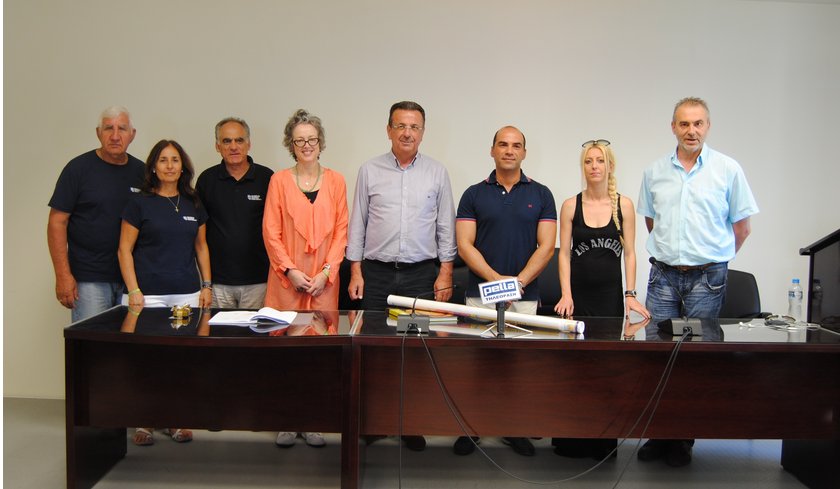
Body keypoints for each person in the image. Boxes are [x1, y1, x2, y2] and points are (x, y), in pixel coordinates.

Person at [636, 97, 758, 467]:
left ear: (708, 126)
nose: (692, 131)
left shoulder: (728, 169)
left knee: (694, 361)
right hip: (663, 277)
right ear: (673, 127)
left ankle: (682, 439)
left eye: (698, 123)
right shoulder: (654, 171)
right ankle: (659, 436)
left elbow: (742, 228)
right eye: (684, 124)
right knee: (658, 357)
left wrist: (715, 258)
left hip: (708, 278)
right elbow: (652, 223)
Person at [346, 101, 457, 452]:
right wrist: (355, 270)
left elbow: (445, 226)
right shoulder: (369, 170)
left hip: (419, 279)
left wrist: (445, 272)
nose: (407, 133)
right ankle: (375, 422)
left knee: (413, 351)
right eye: (401, 126)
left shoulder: (437, 173)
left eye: (414, 127)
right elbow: (358, 223)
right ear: (389, 129)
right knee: (374, 351)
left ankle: (409, 423)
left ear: (422, 132)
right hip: (376, 276)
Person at [453, 126, 557, 457]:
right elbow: (464, 245)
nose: (509, 150)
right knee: (477, 366)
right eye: (503, 144)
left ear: (524, 152)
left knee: (518, 366)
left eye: (516, 145)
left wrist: (517, 283)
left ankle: (514, 427)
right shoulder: (473, 194)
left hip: (524, 297)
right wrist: (498, 281)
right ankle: (471, 428)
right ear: (492, 150)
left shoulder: (542, 194)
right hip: (479, 296)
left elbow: (547, 247)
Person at [552, 139, 650, 460]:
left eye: (600, 161)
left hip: (610, 302)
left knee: (607, 370)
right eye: (588, 161)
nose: (594, 166)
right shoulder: (571, 205)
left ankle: (604, 443)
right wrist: (566, 294)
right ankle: (572, 440)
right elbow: (563, 254)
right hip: (578, 300)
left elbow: (630, 254)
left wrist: (630, 295)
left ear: (610, 166)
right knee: (575, 370)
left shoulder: (624, 206)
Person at [263, 109, 348, 449]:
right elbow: (271, 232)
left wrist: (327, 272)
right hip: (287, 282)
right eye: (299, 141)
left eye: (312, 139)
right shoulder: (279, 181)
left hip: (324, 284)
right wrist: (290, 270)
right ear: (291, 145)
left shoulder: (337, 181)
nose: (307, 145)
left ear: (320, 142)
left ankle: (313, 419)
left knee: (319, 354)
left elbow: (341, 233)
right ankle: (287, 418)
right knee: (287, 354)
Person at [118, 140, 212, 447]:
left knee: (180, 361)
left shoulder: (193, 202)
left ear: (183, 166)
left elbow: (201, 247)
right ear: (153, 167)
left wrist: (207, 286)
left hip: (185, 295)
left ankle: (175, 418)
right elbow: (124, 249)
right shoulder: (139, 203)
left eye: (175, 160)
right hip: (147, 297)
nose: (169, 165)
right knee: (146, 360)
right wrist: (134, 290)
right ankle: (145, 420)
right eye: (163, 160)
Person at [47, 106, 144, 322]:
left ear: (132, 134)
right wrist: (63, 275)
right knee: (92, 341)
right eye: (108, 128)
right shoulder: (78, 169)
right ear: (98, 133)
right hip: (89, 280)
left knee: (131, 342)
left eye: (122, 129)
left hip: (132, 281)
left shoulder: (142, 172)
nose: (115, 136)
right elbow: (57, 222)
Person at [196, 117, 273, 309]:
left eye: (239, 140)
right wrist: (206, 283)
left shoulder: (267, 178)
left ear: (249, 144)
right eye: (226, 141)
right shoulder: (206, 180)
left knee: (255, 330)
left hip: (259, 281)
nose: (233, 147)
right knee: (218, 329)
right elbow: (199, 237)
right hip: (218, 283)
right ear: (217, 146)